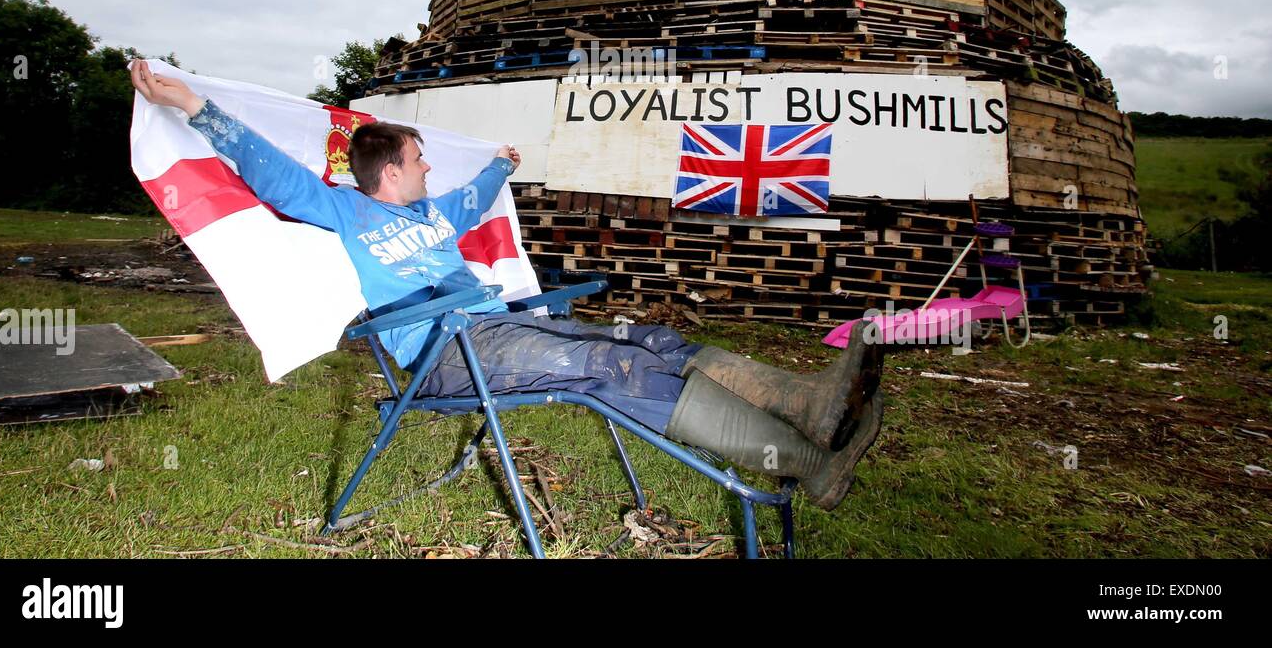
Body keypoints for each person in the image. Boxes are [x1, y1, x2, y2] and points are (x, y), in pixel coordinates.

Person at [129, 59, 884, 509]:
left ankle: (808, 408)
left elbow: (479, 188)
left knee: (648, 338)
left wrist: (501, 164)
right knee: (608, 366)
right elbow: (271, 171)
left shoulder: (435, 210)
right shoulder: (344, 210)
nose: (428, 168)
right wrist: (191, 105)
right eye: (419, 159)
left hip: (499, 331)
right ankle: (816, 467)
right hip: (443, 356)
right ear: (388, 169)